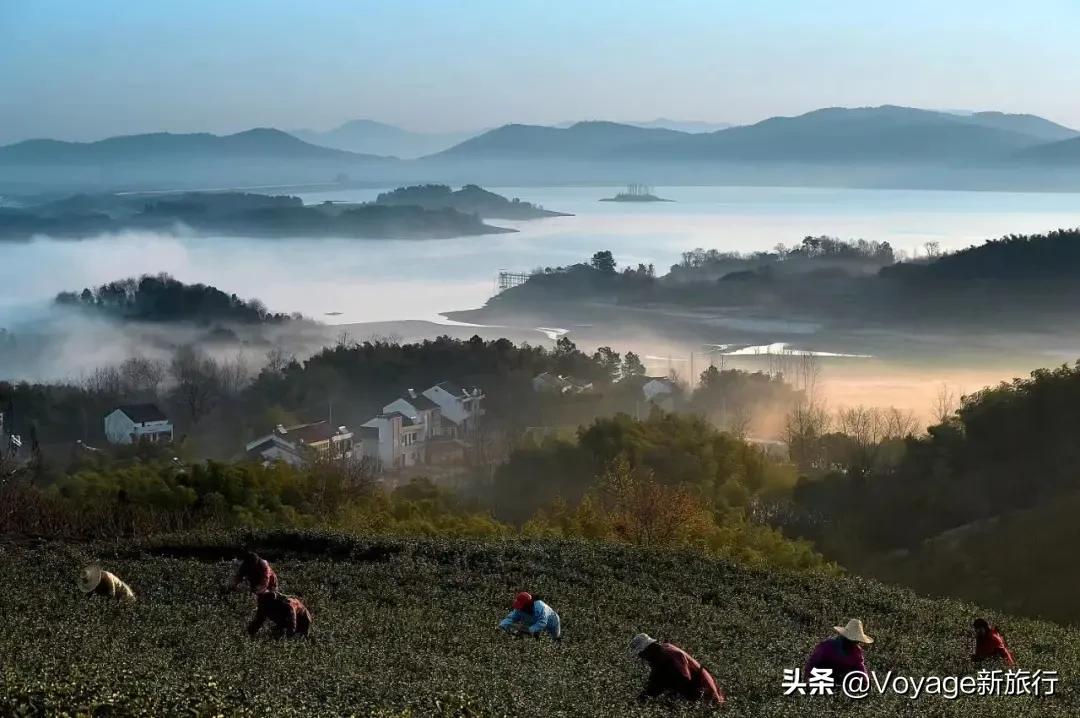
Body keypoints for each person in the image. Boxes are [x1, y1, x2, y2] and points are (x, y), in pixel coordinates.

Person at [629, 633, 723, 705]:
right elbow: (656, 680)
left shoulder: (668, 656)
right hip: (695, 687)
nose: (642, 657)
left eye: (641, 654)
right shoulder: (660, 655)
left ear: (648, 649)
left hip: (702, 690)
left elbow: (683, 680)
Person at [804, 618, 873, 679]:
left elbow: (860, 669)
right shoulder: (827, 646)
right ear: (846, 638)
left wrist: (865, 683)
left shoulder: (857, 652)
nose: (856, 644)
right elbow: (812, 663)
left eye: (857, 642)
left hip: (840, 680)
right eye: (854, 641)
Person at [247, 591, 312, 638]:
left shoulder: (289, 604)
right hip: (286, 618)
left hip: (303, 619)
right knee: (276, 633)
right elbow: (259, 620)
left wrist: (289, 635)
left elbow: (292, 621)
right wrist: (249, 633)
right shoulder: (264, 605)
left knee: (301, 637)